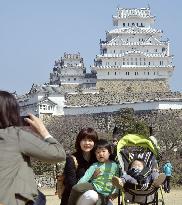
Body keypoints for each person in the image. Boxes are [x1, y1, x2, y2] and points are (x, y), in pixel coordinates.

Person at [0, 90, 66, 205]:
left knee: (39, 196)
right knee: (39, 197)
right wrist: (43, 131)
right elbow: (59, 154)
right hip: (12, 200)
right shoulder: (16, 135)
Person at [67, 139, 119, 205]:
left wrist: (116, 193)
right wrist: (79, 185)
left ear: (109, 153)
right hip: (93, 186)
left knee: (99, 202)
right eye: (98, 152)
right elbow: (86, 177)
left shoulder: (115, 166)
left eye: (103, 151)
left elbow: (117, 180)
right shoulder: (95, 165)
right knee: (76, 188)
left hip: (105, 194)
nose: (101, 154)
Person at [60, 127, 98, 205]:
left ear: (95, 143)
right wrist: (92, 179)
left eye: (90, 140)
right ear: (79, 142)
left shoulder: (97, 160)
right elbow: (72, 185)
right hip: (73, 199)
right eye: (84, 140)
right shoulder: (72, 159)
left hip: (92, 197)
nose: (87, 143)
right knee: (92, 195)